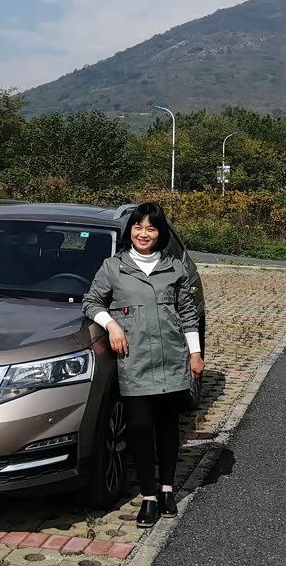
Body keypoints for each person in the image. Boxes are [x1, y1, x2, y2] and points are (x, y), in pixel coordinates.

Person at [82, 202, 204, 528]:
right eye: (138, 227)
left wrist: (195, 354)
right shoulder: (114, 267)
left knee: (168, 430)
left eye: (151, 228)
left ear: (160, 233)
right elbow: (91, 301)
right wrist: (111, 325)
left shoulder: (174, 268)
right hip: (134, 363)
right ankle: (148, 496)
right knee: (139, 429)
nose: (144, 233)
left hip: (172, 361)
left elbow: (188, 314)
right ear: (130, 231)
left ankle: (167, 491)